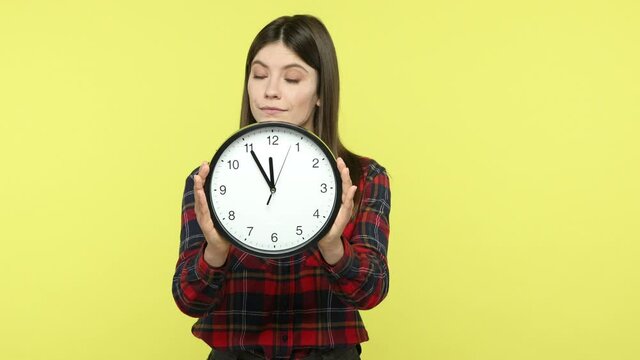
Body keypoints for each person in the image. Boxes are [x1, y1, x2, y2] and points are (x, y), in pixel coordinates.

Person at [172, 15, 391, 360]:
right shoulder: (208, 181)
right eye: (259, 75)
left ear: (321, 92)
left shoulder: (363, 178)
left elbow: (371, 291)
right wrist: (214, 251)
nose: (270, 90)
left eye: (291, 78)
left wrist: (333, 246)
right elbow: (188, 299)